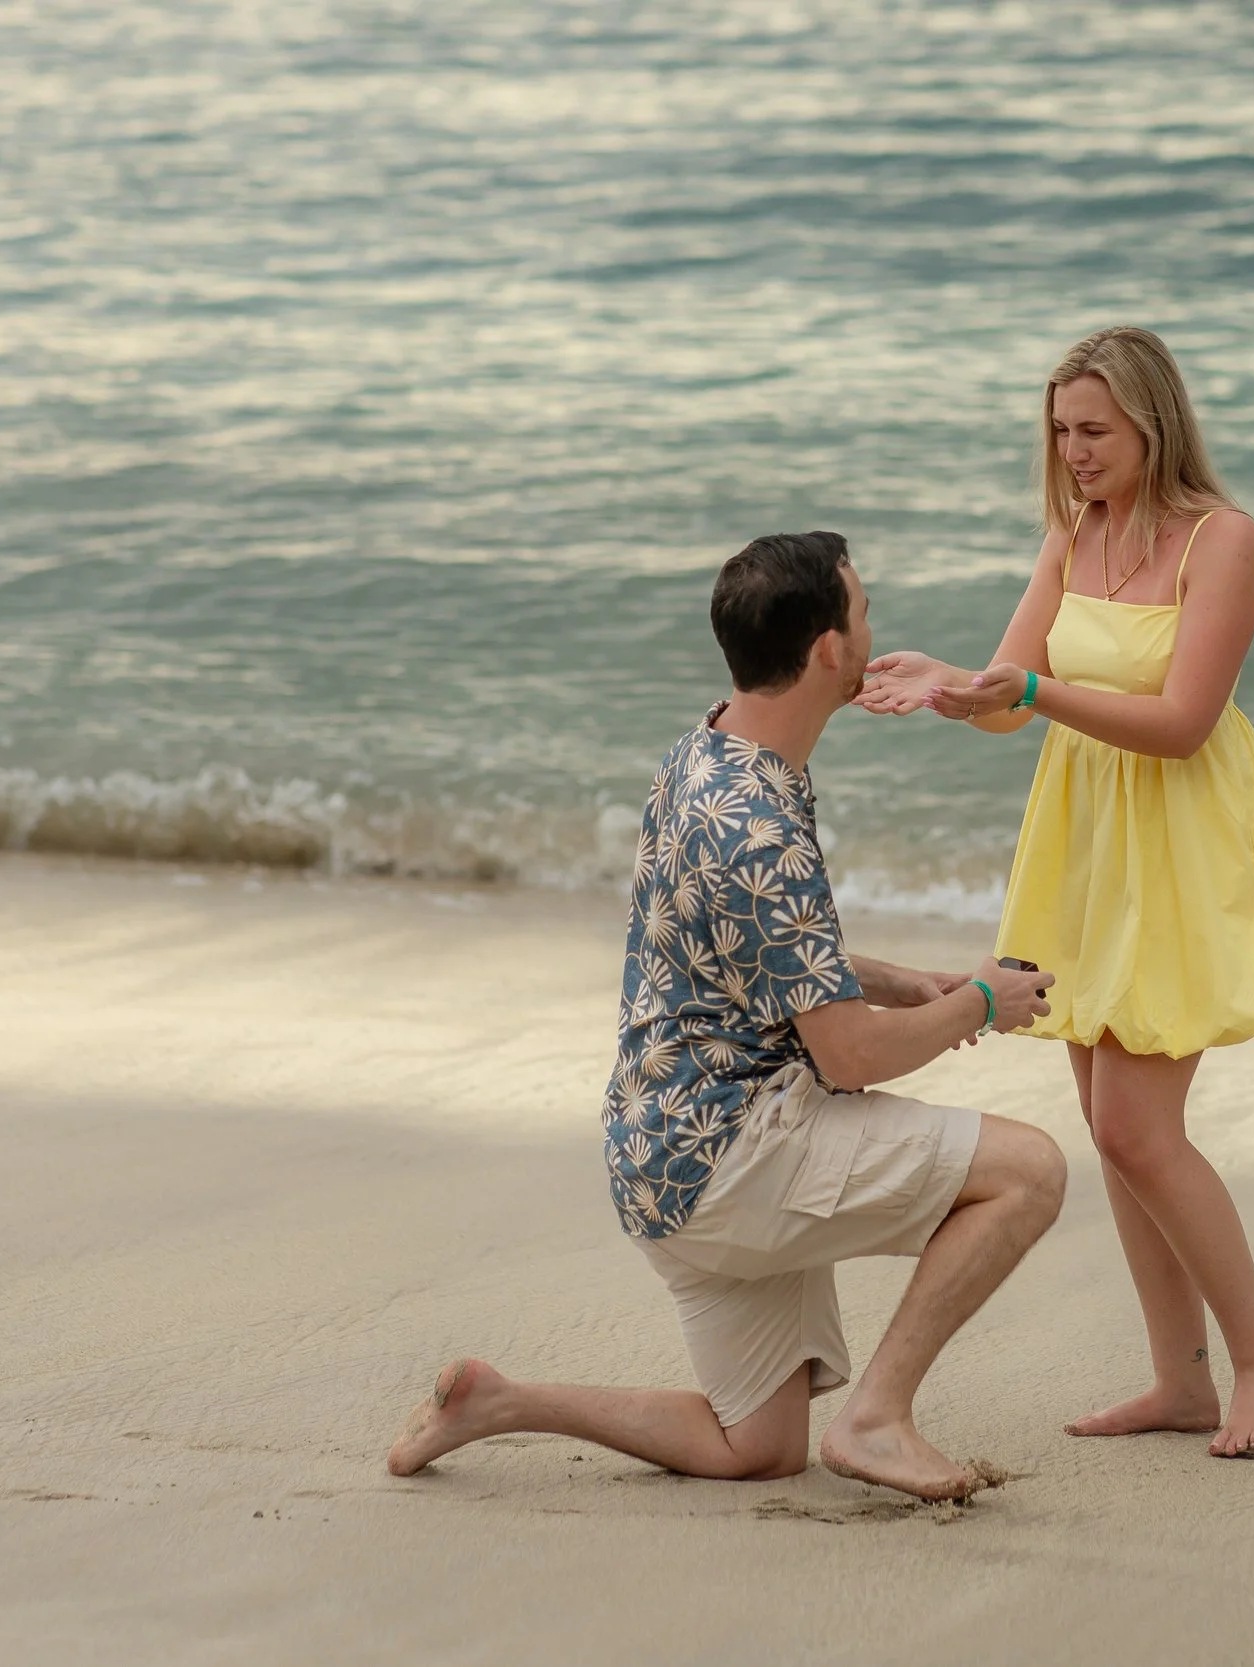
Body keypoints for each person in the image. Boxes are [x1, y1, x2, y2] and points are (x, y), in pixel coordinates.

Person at [386, 531, 1067, 1502]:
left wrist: (895, 978)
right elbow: (851, 1058)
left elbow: (742, 944)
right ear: (829, 648)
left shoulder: (704, 748)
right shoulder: (760, 824)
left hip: (654, 1156)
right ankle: (876, 1416)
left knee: (755, 1444)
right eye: (862, 611)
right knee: (1029, 1172)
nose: (873, 630)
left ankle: (496, 1402)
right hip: (737, 1158)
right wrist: (982, 1002)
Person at [858, 327, 1254, 1457]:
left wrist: (1029, 689)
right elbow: (1011, 697)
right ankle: (1179, 1378)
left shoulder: (1223, 540)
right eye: (1061, 432)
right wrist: (951, 686)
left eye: (1094, 431)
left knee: (1133, 1122)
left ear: (1152, 423)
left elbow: (1181, 722)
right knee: (1114, 1133)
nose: (1073, 453)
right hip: (1083, 845)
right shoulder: (1073, 535)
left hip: (1176, 844)